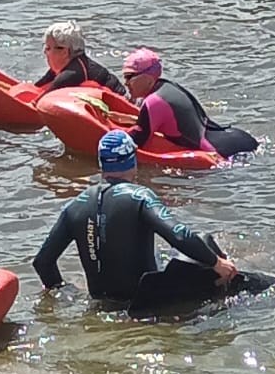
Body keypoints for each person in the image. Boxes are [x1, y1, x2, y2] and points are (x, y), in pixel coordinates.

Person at [32, 130, 238, 303]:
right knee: (204, 242)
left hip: (102, 302)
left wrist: (64, 293)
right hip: (144, 300)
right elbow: (179, 234)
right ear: (132, 160)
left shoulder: (75, 206)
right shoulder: (140, 196)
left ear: (102, 164)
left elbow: (42, 262)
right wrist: (216, 263)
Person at [122, 48, 258, 159]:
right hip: (234, 137)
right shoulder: (167, 87)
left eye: (129, 77)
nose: (125, 83)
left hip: (220, 152)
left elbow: (137, 141)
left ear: (147, 78)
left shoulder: (154, 102)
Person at [34, 21, 128, 96]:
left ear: (64, 52)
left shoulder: (71, 74)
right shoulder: (67, 67)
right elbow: (37, 87)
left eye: (48, 48)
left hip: (121, 101)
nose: (45, 52)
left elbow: (39, 101)